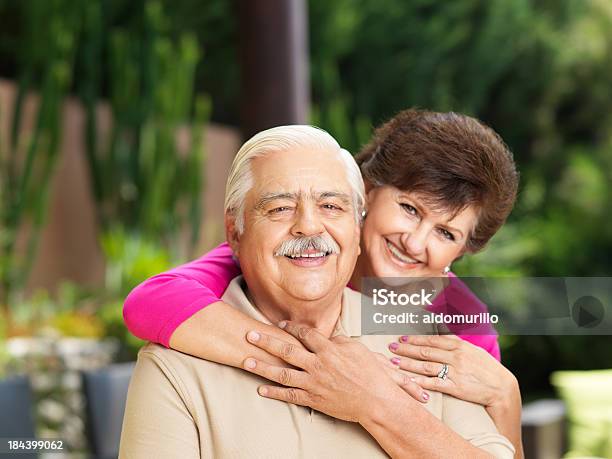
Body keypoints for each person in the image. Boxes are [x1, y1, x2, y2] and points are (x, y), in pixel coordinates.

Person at [123, 110, 523, 454]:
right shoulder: (283, 255)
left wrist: (506, 398)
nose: (415, 242)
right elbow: (150, 302)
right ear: (366, 194)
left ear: (461, 253)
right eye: (409, 209)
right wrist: (311, 361)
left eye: (446, 234)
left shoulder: (458, 320)